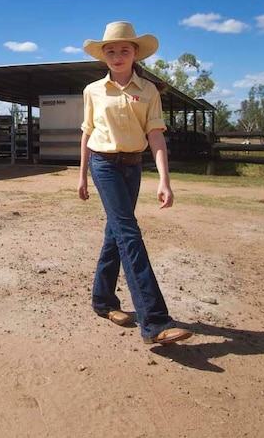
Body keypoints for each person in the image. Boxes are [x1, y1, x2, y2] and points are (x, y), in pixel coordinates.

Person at [77, 21, 192, 345]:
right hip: (104, 164)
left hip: (133, 166)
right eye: (110, 50)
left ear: (135, 53)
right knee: (129, 234)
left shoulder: (148, 91)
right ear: (103, 56)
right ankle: (155, 322)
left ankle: (103, 302)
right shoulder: (93, 91)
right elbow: (87, 134)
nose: (117, 55)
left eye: (124, 50)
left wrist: (165, 181)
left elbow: (155, 135)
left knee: (116, 234)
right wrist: (82, 175)